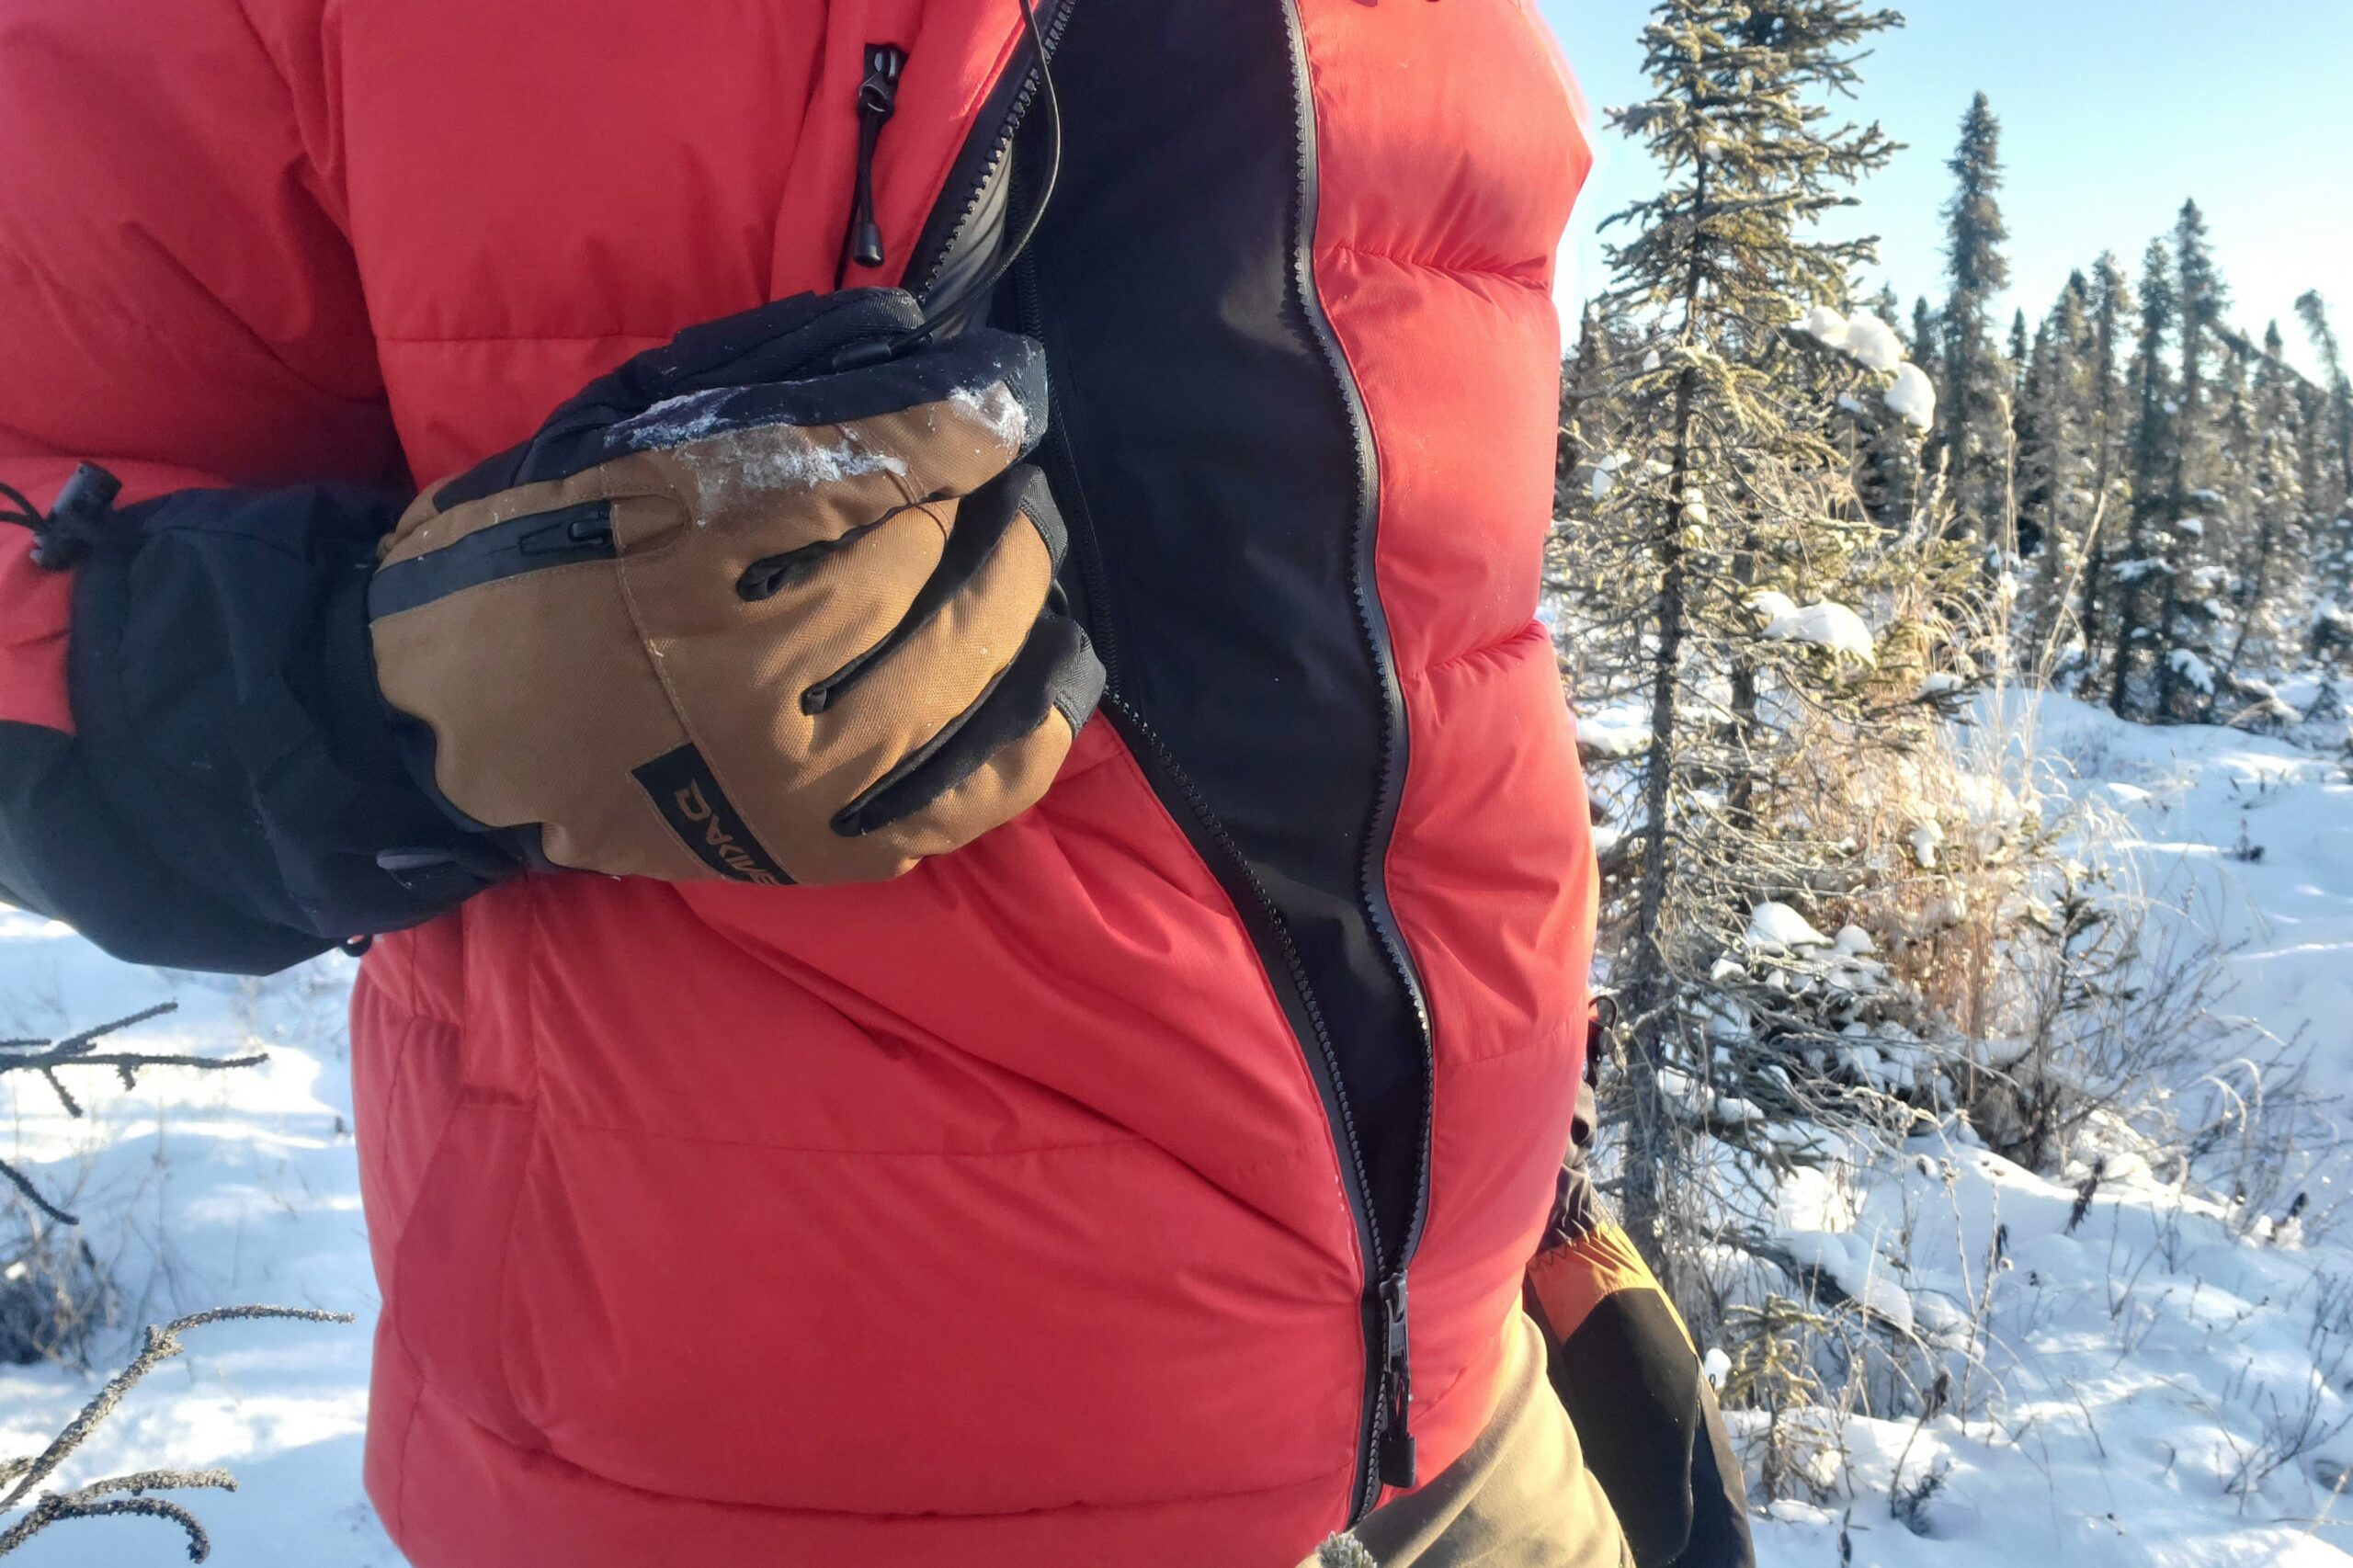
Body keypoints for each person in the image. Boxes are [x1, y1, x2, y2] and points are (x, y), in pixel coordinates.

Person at [0, 1, 1750, 1563]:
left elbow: (1382, 630)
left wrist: (1529, 1212)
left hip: (1468, 1427)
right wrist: (407, 697)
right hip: (783, 1486)